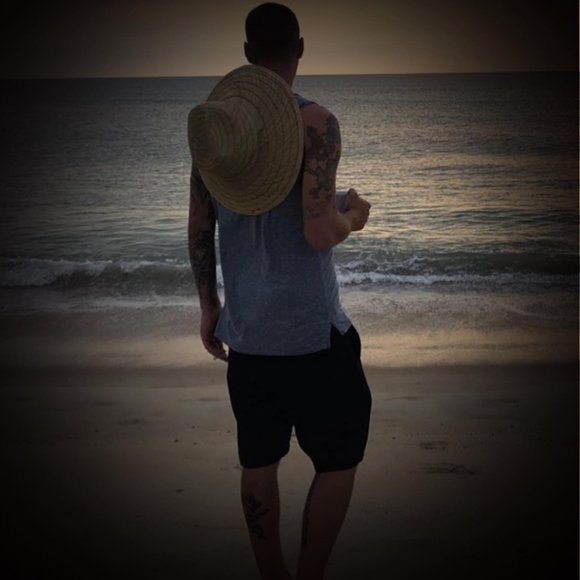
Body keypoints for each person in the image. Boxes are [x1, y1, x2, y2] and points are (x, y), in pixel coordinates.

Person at [187, 3, 372, 579]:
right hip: (312, 334)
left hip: (249, 336)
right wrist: (353, 216)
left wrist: (210, 307)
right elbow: (318, 231)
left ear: (247, 54)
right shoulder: (315, 123)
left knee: (258, 461)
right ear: (300, 48)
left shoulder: (217, 131)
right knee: (338, 459)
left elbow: (200, 227)